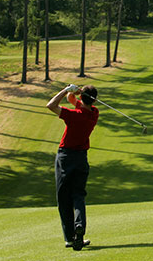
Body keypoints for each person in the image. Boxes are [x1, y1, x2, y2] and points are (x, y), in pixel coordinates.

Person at [46, 84, 99, 251]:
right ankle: (79, 227)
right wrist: (75, 94)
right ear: (94, 100)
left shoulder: (73, 115)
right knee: (78, 196)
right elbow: (73, 101)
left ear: (82, 97)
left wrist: (66, 89)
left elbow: (51, 105)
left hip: (65, 158)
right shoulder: (94, 113)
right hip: (81, 159)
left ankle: (70, 238)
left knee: (64, 197)